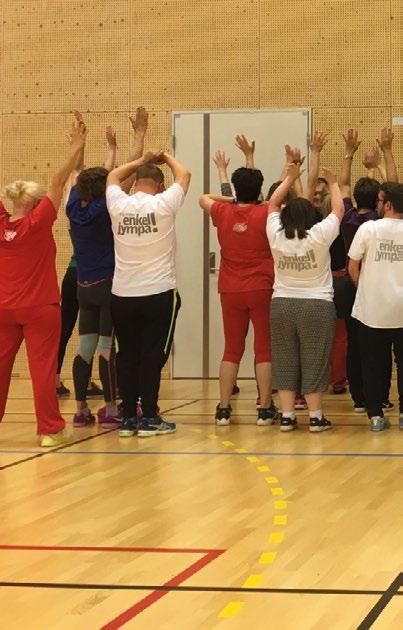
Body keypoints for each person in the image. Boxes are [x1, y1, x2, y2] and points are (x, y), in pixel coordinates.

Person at [0, 119, 87, 446]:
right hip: (39, 309)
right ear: (38, 205)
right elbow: (58, 180)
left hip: (3, 310)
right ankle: (49, 430)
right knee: (42, 369)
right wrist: (76, 147)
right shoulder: (38, 222)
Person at [67, 108, 149, 429]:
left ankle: (80, 408)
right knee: (106, 347)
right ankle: (112, 407)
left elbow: (77, 171)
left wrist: (79, 144)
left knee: (84, 347)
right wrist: (139, 137)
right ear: (105, 188)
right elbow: (125, 176)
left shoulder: (74, 205)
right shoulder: (107, 208)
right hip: (107, 286)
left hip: (83, 286)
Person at [106, 149, 191, 438]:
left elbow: (114, 176)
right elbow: (185, 174)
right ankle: (151, 417)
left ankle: (129, 417)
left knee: (127, 355)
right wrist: (166, 156)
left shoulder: (118, 203)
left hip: (122, 293)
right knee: (151, 356)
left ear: (139, 180)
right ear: (159, 184)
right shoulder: (164, 203)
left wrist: (142, 160)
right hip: (158, 292)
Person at [267, 164, 344, 432]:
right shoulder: (319, 236)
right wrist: (333, 183)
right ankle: (315, 417)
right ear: (311, 217)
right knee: (315, 358)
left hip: (282, 303)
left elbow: (273, 204)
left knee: (284, 358)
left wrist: (289, 177)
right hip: (317, 304)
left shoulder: (276, 235)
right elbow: (338, 210)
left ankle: (287, 416)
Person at [200, 166, 277, 426]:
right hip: (261, 287)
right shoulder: (265, 212)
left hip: (230, 289)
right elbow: (281, 205)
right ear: (258, 190)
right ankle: (265, 408)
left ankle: (223, 408)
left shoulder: (223, 211)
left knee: (232, 349)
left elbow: (204, 197)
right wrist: (259, 200)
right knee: (264, 348)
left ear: (235, 189)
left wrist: (233, 200)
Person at [340, 128, 398, 413]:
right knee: (385, 352)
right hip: (376, 290)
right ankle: (384, 399)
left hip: (356, 288)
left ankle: (362, 400)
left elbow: (342, 187)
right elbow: (394, 186)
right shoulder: (375, 221)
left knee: (359, 348)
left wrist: (349, 155)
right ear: (380, 201)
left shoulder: (349, 218)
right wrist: (384, 154)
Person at [348, 182, 403, 431]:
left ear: (388, 204)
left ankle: (376, 415)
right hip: (400, 309)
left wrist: (365, 288)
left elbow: (353, 266)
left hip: (372, 310)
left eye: (380, 201)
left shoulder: (368, 229)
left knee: (372, 363)